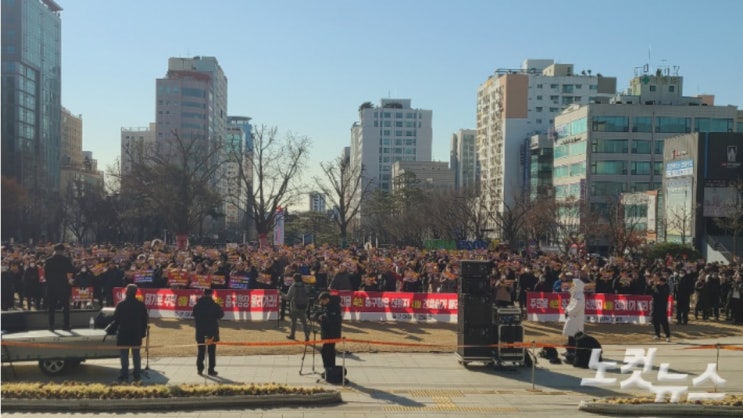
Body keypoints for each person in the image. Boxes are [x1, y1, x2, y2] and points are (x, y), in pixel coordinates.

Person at [108, 283, 149, 383]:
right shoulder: (141, 305)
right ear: (136, 293)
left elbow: (116, 320)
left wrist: (109, 330)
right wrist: (143, 333)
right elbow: (145, 320)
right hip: (136, 333)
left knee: (124, 355)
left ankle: (124, 375)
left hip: (124, 333)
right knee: (136, 355)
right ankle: (137, 375)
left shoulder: (121, 305)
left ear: (126, 292)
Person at [192, 288, 224, 376]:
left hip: (200, 331)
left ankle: (199, 369)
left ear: (203, 294)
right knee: (211, 351)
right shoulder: (214, 305)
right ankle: (211, 369)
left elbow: (194, 315)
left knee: (201, 350)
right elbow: (221, 315)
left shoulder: (197, 305)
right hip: (211, 331)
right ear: (211, 294)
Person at [44, 244, 76, 331]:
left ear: (54, 250)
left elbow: (45, 275)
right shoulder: (66, 260)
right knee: (65, 307)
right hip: (64, 286)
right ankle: (66, 325)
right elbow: (72, 271)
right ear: (63, 251)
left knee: (51, 307)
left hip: (51, 287)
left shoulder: (48, 261)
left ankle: (51, 325)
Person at [315, 291, 342, 373]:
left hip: (332, 333)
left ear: (326, 299)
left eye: (322, 301)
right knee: (329, 350)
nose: (321, 303)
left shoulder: (334, 307)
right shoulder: (327, 306)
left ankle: (328, 367)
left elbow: (332, 320)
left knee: (326, 351)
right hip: (327, 332)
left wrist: (323, 318)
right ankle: (330, 367)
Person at [562, 276, 586, 363]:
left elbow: (576, 307)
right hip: (572, 317)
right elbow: (571, 305)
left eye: (573, 284)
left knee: (574, 336)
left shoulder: (580, 295)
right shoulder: (575, 294)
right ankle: (569, 351)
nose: (571, 285)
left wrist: (569, 312)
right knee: (570, 334)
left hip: (576, 318)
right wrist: (567, 310)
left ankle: (572, 354)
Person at [283, 273, 310, 341]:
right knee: (304, 322)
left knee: (293, 322)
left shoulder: (293, 286)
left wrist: (281, 293)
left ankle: (292, 335)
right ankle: (307, 336)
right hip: (303, 306)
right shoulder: (305, 286)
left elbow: (288, 297)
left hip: (295, 306)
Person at [650, 274, 672, 342]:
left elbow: (661, 295)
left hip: (662, 307)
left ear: (664, 282)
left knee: (664, 322)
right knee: (655, 321)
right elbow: (651, 293)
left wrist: (656, 289)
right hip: (655, 306)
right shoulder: (656, 286)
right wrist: (652, 286)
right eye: (659, 281)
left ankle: (667, 335)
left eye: (660, 281)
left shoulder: (666, 287)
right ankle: (657, 334)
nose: (659, 282)